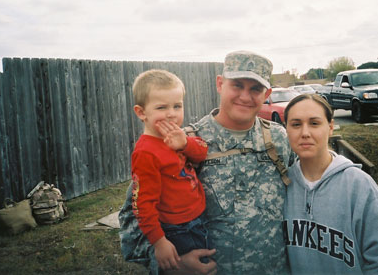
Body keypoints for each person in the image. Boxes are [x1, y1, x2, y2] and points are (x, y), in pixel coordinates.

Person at [120, 51, 294, 275]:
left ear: (267, 93)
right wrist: (174, 265)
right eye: (237, 85)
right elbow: (132, 223)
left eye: (255, 89)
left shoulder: (280, 140)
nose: (245, 96)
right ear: (220, 84)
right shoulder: (179, 144)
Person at [282, 94, 378, 274]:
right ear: (286, 129)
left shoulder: (359, 186)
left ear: (330, 127)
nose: (305, 133)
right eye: (296, 124)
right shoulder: (283, 185)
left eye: (315, 123)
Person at [119, 69, 213, 274]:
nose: (171, 113)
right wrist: (159, 242)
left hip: (199, 219)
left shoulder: (178, 136)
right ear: (141, 112)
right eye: (161, 107)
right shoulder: (146, 152)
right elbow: (142, 204)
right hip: (176, 229)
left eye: (177, 106)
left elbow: (202, 152)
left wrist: (185, 143)